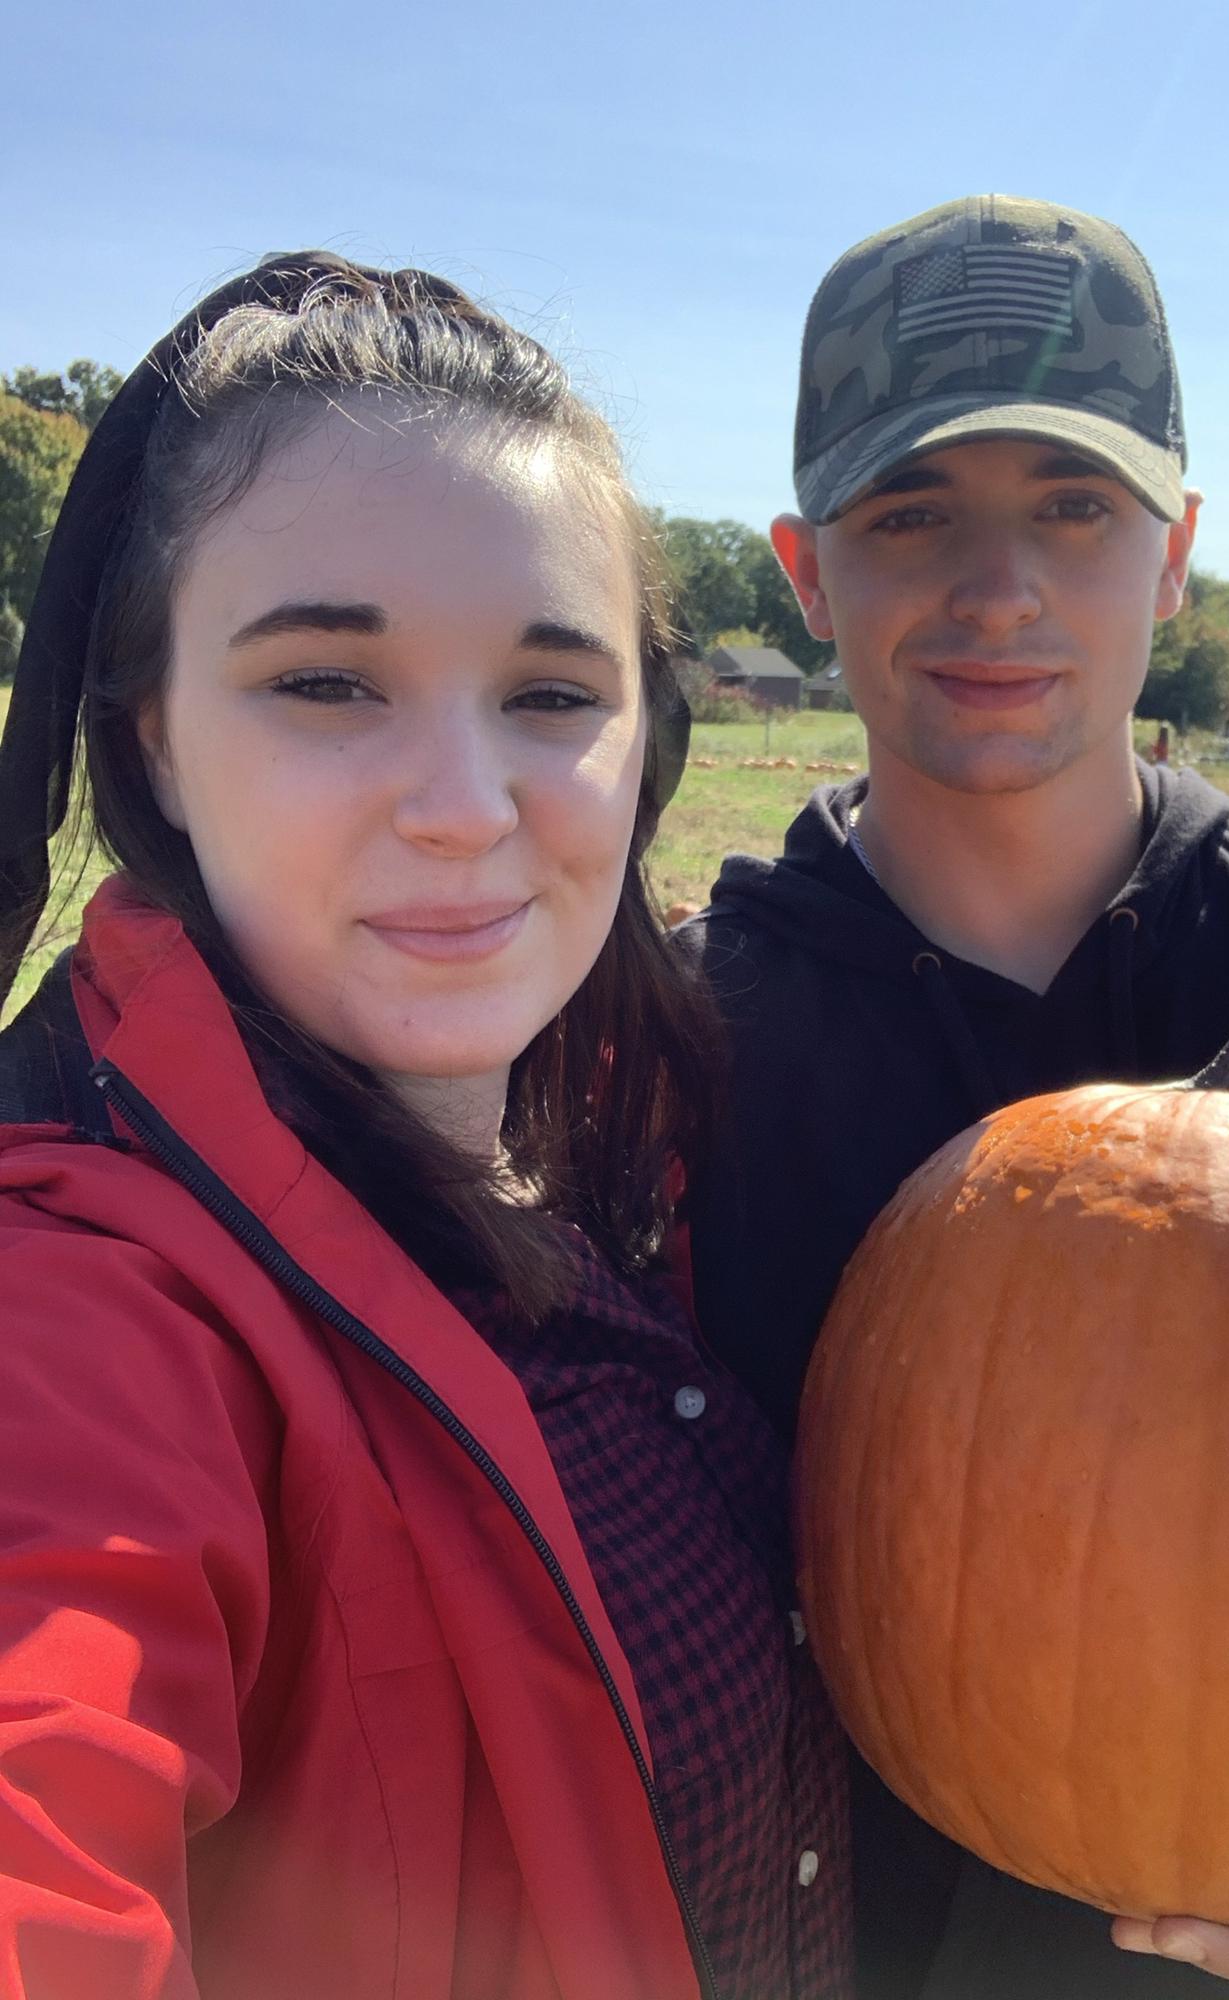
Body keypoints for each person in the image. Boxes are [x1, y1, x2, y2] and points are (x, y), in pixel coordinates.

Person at [675, 195, 1229, 2000]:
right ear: (805, 571)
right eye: (914, 515)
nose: (999, 588)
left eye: (1074, 506)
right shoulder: (660, 1040)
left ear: (1179, 552)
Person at [0, 254, 851, 1999]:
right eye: (325, 682)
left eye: (553, 696)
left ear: (646, 744)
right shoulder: (85, 1316)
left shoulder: (631, 1138)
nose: (468, 811)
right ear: (151, 739)